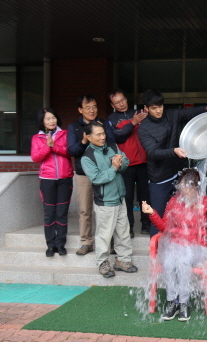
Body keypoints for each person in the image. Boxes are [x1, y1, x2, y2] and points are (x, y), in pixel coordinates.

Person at [141, 169, 207, 321]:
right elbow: (165, 228)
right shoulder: (174, 201)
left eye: (188, 186)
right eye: (182, 186)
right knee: (168, 262)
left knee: (183, 261)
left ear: (197, 187)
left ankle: (184, 302)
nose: (184, 190)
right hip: (176, 245)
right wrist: (152, 213)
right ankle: (172, 301)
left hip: (198, 247)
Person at [137, 89, 207, 237]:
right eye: (154, 108)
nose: (158, 111)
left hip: (177, 174)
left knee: (187, 211)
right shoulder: (144, 128)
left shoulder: (171, 115)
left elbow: (189, 113)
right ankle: (155, 254)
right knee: (158, 215)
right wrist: (173, 151)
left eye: (160, 107)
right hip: (159, 178)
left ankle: (186, 245)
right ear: (146, 109)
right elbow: (152, 152)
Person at [81, 121, 137, 278]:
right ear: (88, 137)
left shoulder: (112, 146)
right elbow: (97, 178)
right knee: (104, 234)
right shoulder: (87, 157)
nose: (102, 137)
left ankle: (123, 260)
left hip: (120, 197)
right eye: (98, 134)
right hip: (105, 201)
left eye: (103, 133)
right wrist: (113, 168)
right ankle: (102, 263)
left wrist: (120, 164)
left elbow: (125, 162)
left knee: (123, 232)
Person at [67, 94, 116, 255]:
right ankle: (86, 242)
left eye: (94, 107)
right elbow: (72, 151)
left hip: (104, 173)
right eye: (87, 107)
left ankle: (108, 241)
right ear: (80, 110)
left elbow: (111, 144)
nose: (92, 110)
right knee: (85, 209)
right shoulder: (73, 127)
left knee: (105, 209)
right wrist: (84, 141)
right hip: (84, 174)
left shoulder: (104, 124)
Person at [30, 108, 74, 257]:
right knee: (49, 214)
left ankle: (60, 245)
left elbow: (70, 152)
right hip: (47, 180)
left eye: (53, 117)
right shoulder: (37, 138)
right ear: (42, 121)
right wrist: (47, 147)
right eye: (48, 119)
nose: (51, 121)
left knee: (61, 214)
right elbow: (35, 157)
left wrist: (54, 145)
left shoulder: (65, 134)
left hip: (64, 178)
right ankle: (50, 245)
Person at [108, 89, 151, 238]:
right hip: (126, 163)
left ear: (126, 99)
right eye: (117, 102)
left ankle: (146, 224)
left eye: (122, 100)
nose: (121, 104)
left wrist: (147, 116)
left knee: (145, 195)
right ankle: (129, 227)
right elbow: (118, 136)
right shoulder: (112, 119)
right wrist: (133, 122)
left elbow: (150, 130)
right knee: (126, 197)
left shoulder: (138, 112)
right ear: (112, 104)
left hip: (144, 162)